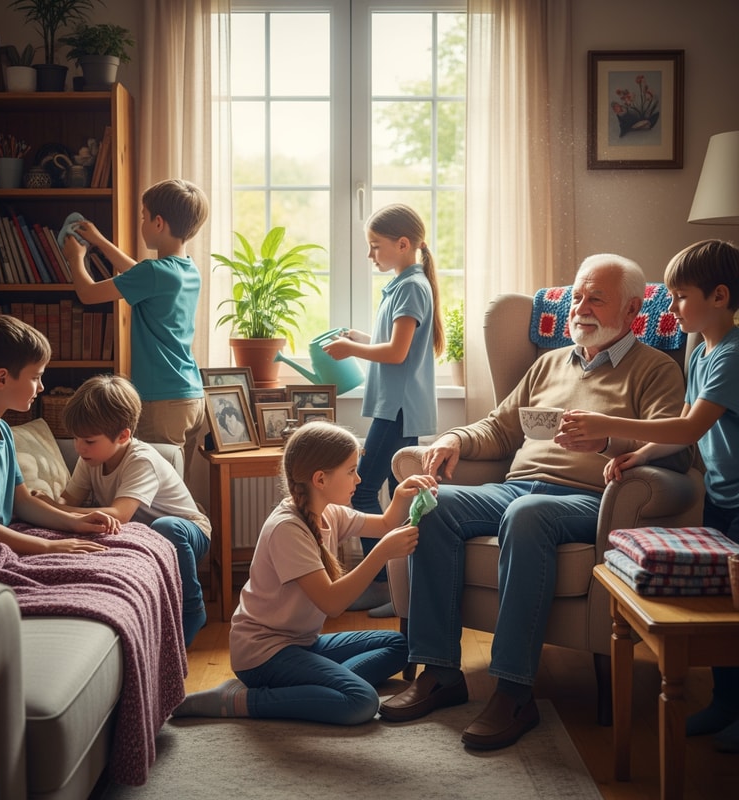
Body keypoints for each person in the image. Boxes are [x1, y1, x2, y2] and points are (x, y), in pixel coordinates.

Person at [378, 253, 692, 751]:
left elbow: (674, 450)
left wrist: (609, 443)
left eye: (596, 298)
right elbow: (500, 428)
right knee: (432, 502)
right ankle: (440, 671)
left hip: (590, 499)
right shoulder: (548, 363)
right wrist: (456, 439)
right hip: (515, 487)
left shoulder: (655, 370)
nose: (580, 307)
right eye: (577, 295)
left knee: (527, 516)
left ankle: (513, 690)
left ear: (633, 309)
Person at [561, 239, 739, 753]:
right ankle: (727, 702)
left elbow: (687, 429)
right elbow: (675, 427)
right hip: (725, 495)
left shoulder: (732, 355)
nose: (671, 305)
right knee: (726, 600)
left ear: (720, 295)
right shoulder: (698, 348)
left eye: (681, 296)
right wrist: (638, 454)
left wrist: (604, 424)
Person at [172, 421, 435, 725]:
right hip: (263, 655)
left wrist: (402, 495)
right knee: (361, 701)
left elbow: (386, 525)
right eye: (351, 471)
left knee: (401, 646)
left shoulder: (329, 512)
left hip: (302, 643)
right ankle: (239, 699)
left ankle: (312, 686)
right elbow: (332, 604)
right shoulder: (288, 528)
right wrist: (380, 554)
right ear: (320, 479)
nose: (359, 478)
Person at [323, 204, 444, 618]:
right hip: (394, 406)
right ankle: (397, 585)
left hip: (398, 409)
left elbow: (396, 352)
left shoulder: (411, 287)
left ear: (403, 244)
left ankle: (384, 583)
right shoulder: (404, 284)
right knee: (394, 493)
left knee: (362, 490)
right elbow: (392, 340)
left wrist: (351, 349)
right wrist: (358, 336)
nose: (371, 255)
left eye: (376, 247)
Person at [32, 374, 212, 646]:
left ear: (124, 435)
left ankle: (192, 606)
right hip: (143, 535)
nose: (79, 447)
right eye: (76, 439)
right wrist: (43, 505)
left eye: (89, 441)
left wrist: (56, 507)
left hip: (189, 532)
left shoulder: (141, 460)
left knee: (166, 527)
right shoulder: (90, 458)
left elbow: (120, 514)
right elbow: (67, 502)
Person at [62, 179, 210, 486]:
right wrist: (101, 242)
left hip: (162, 400)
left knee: (157, 490)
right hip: (190, 396)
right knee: (177, 487)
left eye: (143, 216)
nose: (142, 222)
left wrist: (76, 258)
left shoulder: (155, 272)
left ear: (158, 222)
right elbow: (138, 273)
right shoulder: (185, 268)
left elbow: (88, 294)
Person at [0, 315, 119, 554]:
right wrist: (48, 546)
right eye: (35, 377)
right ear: (2, 378)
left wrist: (74, 521)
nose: (42, 386)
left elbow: (22, 501)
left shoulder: (1, 429)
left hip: (1, 535)